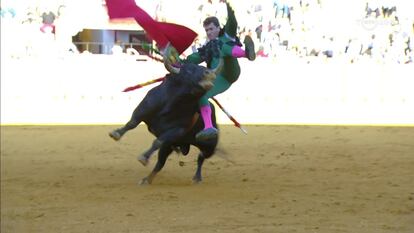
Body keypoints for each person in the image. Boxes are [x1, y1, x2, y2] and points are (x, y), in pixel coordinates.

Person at [182, 2, 256, 141]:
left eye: (211, 29)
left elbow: (232, 21)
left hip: (230, 71)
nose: (209, 32)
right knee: (201, 93)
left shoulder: (227, 35)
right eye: (207, 30)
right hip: (219, 78)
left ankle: (246, 53)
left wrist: (228, 4)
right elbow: (192, 59)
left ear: (218, 28)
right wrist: (176, 61)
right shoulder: (207, 48)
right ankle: (208, 127)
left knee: (222, 45)